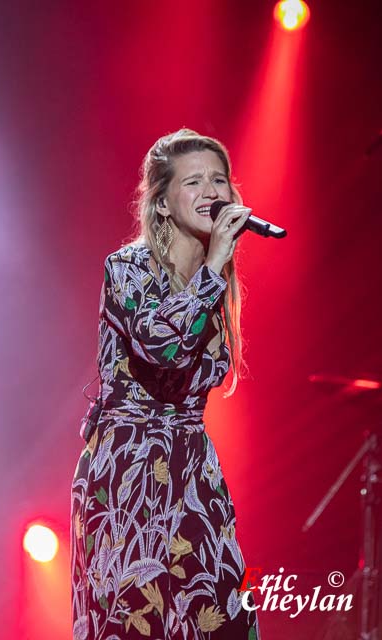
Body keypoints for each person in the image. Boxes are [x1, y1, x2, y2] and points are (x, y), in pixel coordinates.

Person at [70, 128, 261, 639]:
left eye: (219, 180)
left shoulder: (215, 284)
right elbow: (162, 346)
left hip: (191, 467)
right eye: (193, 181)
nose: (211, 192)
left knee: (224, 617)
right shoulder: (127, 269)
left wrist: (212, 271)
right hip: (127, 469)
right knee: (133, 621)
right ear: (161, 203)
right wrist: (214, 265)